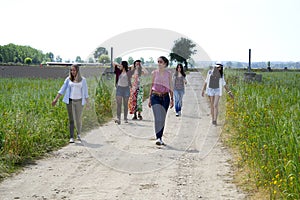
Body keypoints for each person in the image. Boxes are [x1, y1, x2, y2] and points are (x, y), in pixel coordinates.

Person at [52, 64, 89, 143]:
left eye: (74, 70)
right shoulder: (68, 80)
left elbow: (86, 93)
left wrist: (88, 104)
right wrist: (56, 99)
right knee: (71, 120)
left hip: (79, 101)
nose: (72, 72)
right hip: (70, 102)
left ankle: (79, 134)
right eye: (71, 70)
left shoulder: (83, 80)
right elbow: (62, 90)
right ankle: (71, 137)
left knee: (78, 119)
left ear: (78, 71)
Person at [148, 56, 174, 145]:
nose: (159, 63)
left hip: (165, 97)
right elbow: (151, 85)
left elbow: (170, 86)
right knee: (158, 118)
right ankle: (158, 137)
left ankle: (160, 137)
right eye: (158, 61)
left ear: (165, 63)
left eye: (161, 62)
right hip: (155, 96)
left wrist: (172, 99)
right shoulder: (154, 73)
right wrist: (149, 98)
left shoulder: (169, 74)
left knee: (162, 119)